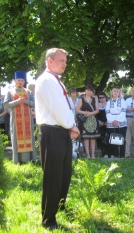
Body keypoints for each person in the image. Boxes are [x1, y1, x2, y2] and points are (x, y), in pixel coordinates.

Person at [35, 48, 80, 230]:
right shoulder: (46, 80)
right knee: (53, 177)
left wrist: (69, 126)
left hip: (61, 131)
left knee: (64, 174)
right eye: (61, 60)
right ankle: (49, 219)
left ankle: (60, 205)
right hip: (52, 132)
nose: (64, 63)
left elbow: (65, 106)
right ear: (49, 61)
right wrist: (72, 126)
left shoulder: (55, 81)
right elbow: (57, 109)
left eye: (65, 61)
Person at [4, 71, 37, 164]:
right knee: (16, 139)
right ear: (15, 81)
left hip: (28, 120)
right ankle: (18, 160)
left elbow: (34, 103)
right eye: (18, 80)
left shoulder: (29, 92)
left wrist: (25, 101)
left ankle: (31, 159)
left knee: (29, 137)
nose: (20, 82)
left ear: (24, 81)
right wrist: (17, 102)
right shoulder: (10, 92)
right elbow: (6, 105)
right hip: (15, 120)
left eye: (22, 80)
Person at [76, 85, 100, 159]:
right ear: (85, 91)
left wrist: (90, 113)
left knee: (93, 138)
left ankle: (93, 154)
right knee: (86, 138)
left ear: (92, 92)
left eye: (90, 90)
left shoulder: (94, 100)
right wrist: (84, 112)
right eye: (88, 90)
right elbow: (77, 110)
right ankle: (87, 154)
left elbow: (97, 110)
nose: (89, 92)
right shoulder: (81, 100)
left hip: (93, 120)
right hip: (85, 121)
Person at [106, 87, 127, 158]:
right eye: (114, 91)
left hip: (121, 123)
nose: (115, 93)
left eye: (117, 92)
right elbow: (107, 112)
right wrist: (113, 121)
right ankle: (115, 155)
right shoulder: (109, 102)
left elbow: (123, 112)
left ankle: (122, 155)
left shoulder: (122, 101)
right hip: (111, 123)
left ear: (119, 93)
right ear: (112, 93)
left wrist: (117, 120)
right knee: (113, 139)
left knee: (122, 139)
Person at [96, 91, 110, 157]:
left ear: (105, 97)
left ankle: (109, 152)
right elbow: (95, 116)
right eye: (100, 97)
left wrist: (108, 122)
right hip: (100, 124)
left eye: (102, 97)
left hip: (109, 124)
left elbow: (112, 114)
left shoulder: (109, 104)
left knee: (109, 138)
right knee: (100, 138)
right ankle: (102, 153)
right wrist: (100, 123)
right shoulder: (97, 105)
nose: (101, 99)